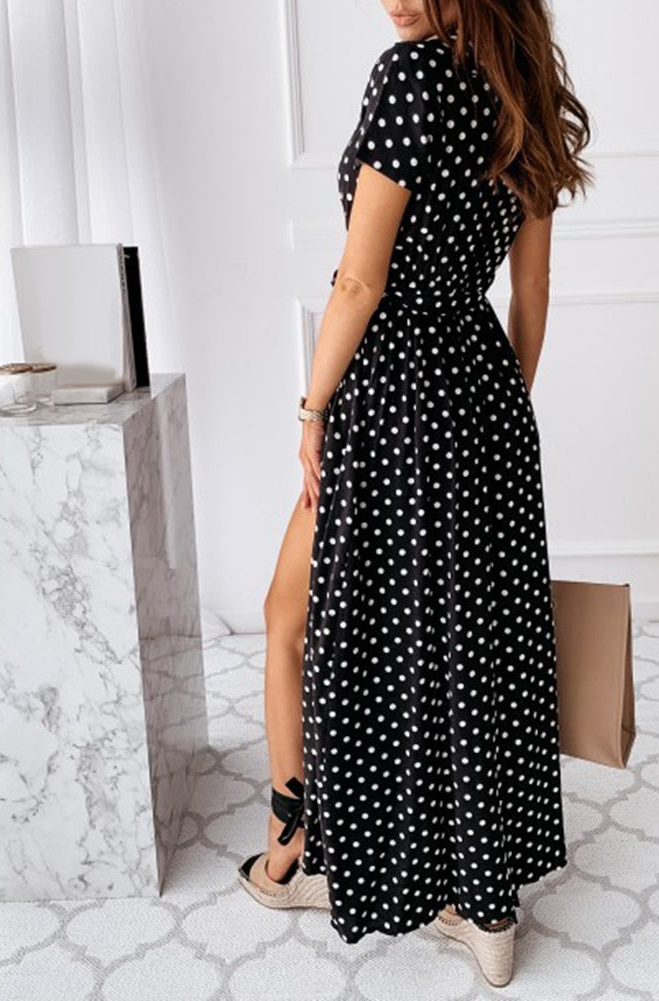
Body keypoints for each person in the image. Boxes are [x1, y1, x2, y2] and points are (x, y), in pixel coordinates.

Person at [238, 0, 592, 986]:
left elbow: (359, 283)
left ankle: (295, 845)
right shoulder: (524, 93)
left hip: (389, 394)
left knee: (296, 618)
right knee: (466, 641)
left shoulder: (409, 77)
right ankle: (484, 906)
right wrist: (493, 413)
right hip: (483, 390)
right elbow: (530, 293)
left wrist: (311, 409)